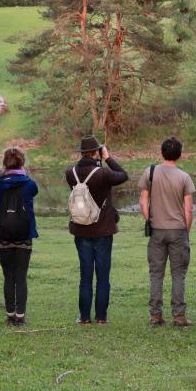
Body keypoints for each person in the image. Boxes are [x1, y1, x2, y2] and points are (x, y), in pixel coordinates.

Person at [65, 136, 129, 325]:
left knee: (85, 276)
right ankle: (101, 317)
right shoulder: (103, 174)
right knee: (103, 276)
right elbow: (123, 175)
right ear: (96, 153)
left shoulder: (70, 173)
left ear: (81, 152)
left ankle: (84, 318)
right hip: (102, 231)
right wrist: (108, 158)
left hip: (81, 230)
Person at [139, 136, 196, 327]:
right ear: (179, 155)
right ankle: (179, 315)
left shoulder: (150, 172)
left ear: (162, 153)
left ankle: (155, 315)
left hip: (157, 230)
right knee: (178, 274)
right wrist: (186, 231)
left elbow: (143, 201)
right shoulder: (184, 177)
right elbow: (188, 209)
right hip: (178, 230)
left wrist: (150, 220)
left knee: (156, 273)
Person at [0, 147, 38, 326]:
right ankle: (20, 317)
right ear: (22, 162)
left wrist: (0, 176)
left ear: (5, 163)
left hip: (2, 235)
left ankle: (10, 316)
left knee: (8, 276)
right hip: (24, 236)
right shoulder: (29, 184)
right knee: (21, 276)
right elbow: (34, 191)